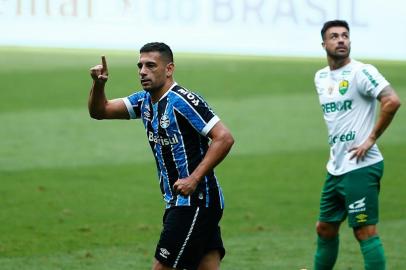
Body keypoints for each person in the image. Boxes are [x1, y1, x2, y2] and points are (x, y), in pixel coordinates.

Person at [88, 42, 234, 270]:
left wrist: (193, 179)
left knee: (162, 266)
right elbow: (100, 111)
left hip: (195, 201)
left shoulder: (183, 101)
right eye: (140, 66)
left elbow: (224, 138)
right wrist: (98, 85)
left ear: (169, 69)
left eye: (150, 65)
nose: (143, 71)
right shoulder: (143, 101)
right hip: (182, 201)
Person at [313, 20, 401, 270]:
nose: (341, 40)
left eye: (345, 36)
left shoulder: (362, 72)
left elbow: (392, 101)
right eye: (334, 36)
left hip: (362, 165)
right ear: (324, 44)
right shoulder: (320, 77)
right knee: (325, 228)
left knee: (364, 230)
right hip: (336, 167)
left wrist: (371, 138)